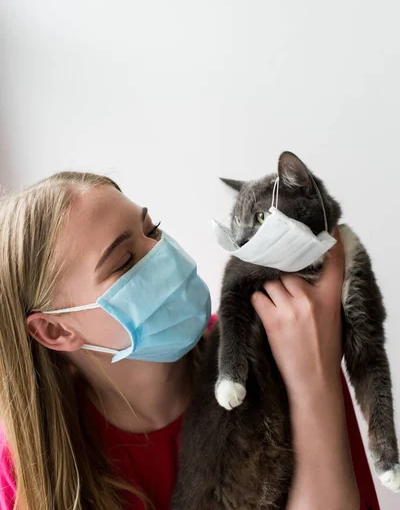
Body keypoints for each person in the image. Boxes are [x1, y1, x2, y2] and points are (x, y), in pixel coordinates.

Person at [0, 171, 380, 510]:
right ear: (55, 330)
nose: (162, 253)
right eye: (124, 261)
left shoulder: (283, 345)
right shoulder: (31, 461)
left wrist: (312, 382)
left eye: (152, 230)